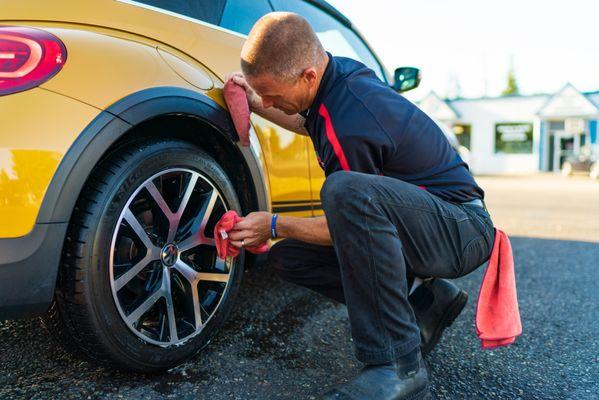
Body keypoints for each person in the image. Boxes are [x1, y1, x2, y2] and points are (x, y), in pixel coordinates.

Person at [225, 12, 495, 400]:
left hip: (461, 228)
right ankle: (426, 301)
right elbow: (306, 120)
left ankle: (398, 367)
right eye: (261, 94)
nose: (267, 101)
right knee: (290, 258)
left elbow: (348, 225)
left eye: (270, 94)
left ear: (307, 76)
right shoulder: (336, 80)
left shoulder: (351, 118)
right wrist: (256, 103)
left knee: (344, 192)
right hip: (433, 223)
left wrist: (272, 224)